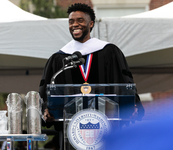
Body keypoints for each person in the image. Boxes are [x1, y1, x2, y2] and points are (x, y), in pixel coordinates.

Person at [39, 3, 144, 149]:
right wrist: (46, 110)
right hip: (72, 135)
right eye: (71, 21)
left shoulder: (110, 52)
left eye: (80, 20)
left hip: (107, 130)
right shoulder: (59, 58)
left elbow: (124, 82)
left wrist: (131, 105)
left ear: (91, 23)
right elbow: (47, 92)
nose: (75, 24)